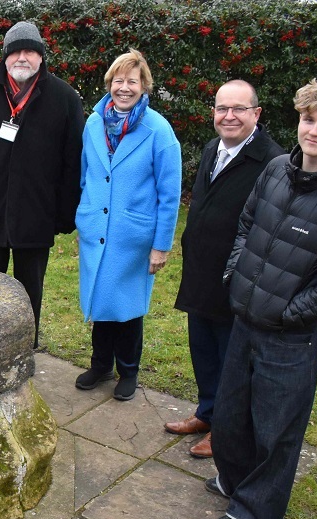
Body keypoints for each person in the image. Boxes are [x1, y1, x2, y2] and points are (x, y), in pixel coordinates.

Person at [208, 80, 317, 519]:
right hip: (245, 315)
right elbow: (247, 224)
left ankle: (258, 510)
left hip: (290, 334)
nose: (314, 131)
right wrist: (235, 275)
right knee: (230, 414)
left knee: (276, 428)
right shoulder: (277, 168)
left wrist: (291, 312)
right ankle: (234, 480)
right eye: (308, 119)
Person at [167, 80, 285, 458]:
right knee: (202, 348)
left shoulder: (272, 162)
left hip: (239, 276)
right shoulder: (211, 149)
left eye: (238, 109)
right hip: (202, 270)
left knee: (232, 358)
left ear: (256, 113)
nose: (229, 116)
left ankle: (227, 429)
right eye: (221, 108)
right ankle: (207, 412)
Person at [0, 21, 84, 348]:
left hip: (37, 215)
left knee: (29, 291)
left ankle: (25, 347)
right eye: (15, 51)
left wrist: (65, 216)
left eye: (29, 51)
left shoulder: (65, 99)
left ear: (41, 56)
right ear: (5, 57)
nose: (22, 57)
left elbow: (73, 163)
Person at [74, 49, 181, 401]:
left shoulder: (158, 130)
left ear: (143, 85)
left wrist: (161, 245)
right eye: (118, 80)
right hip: (97, 230)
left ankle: (128, 371)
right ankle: (101, 365)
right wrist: (84, 216)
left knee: (127, 310)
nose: (124, 88)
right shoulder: (93, 122)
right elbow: (86, 174)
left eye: (131, 81)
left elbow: (169, 195)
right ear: (109, 83)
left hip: (133, 238)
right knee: (101, 303)